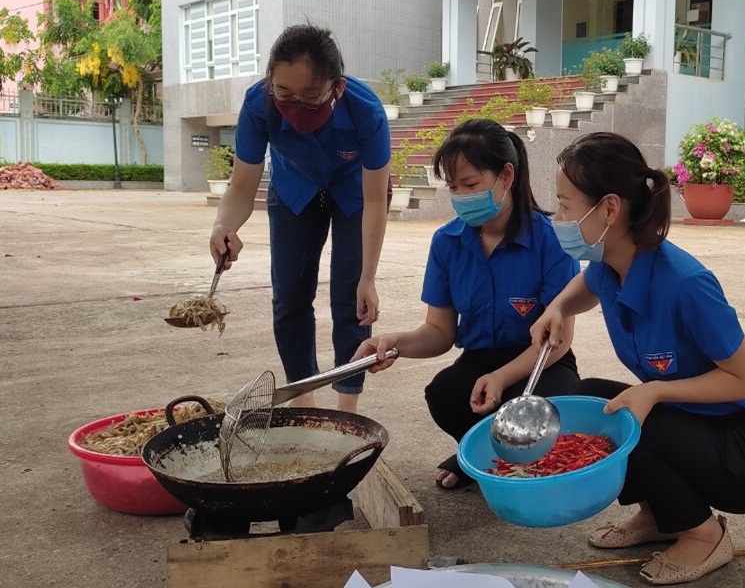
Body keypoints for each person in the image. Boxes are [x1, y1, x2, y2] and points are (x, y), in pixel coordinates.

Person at [530, 132, 745, 585]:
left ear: (609, 208)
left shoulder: (685, 283)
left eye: (566, 205)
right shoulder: (611, 264)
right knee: (594, 397)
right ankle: (659, 515)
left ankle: (703, 534)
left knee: (635, 415)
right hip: (692, 423)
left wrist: (655, 390)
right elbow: (587, 287)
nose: (559, 218)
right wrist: (555, 308)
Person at [353, 119, 581, 489]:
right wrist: (393, 343)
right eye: (453, 187)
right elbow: (439, 332)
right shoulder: (447, 242)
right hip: (480, 358)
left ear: (506, 176)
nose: (461, 196)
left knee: (552, 404)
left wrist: (503, 377)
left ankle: (502, 460)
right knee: (444, 394)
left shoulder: (551, 240)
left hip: (540, 360)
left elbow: (559, 342)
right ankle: (481, 456)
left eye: (471, 185)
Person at [210, 24, 391, 413]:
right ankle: (304, 403)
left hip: (354, 196)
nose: (295, 108)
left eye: (311, 97)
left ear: (336, 88)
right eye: (284, 95)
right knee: (290, 297)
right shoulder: (258, 106)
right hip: (295, 193)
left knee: (352, 298)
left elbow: (376, 198)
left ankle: (347, 410)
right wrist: (223, 227)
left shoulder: (366, 112)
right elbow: (242, 187)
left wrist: (369, 276)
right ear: (270, 84)